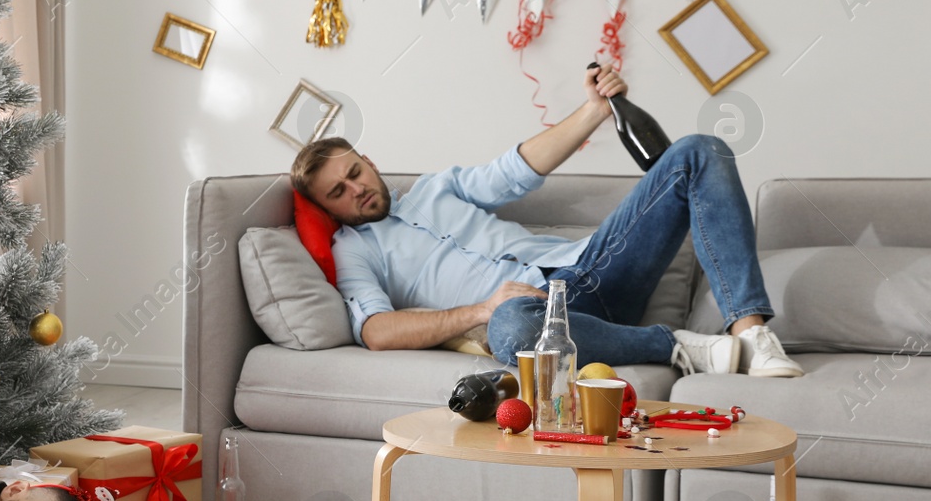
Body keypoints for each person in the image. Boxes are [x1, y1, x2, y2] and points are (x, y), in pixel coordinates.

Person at [290, 63, 803, 379]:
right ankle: (674, 346)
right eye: (338, 191)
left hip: (594, 266)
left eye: (355, 173)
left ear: (370, 162)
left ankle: (753, 336)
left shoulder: (436, 186)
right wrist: (481, 309)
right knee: (510, 329)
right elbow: (376, 331)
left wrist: (594, 111)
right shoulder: (354, 250)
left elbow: (514, 172)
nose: (356, 190)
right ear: (326, 207)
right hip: (538, 317)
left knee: (699, 149)